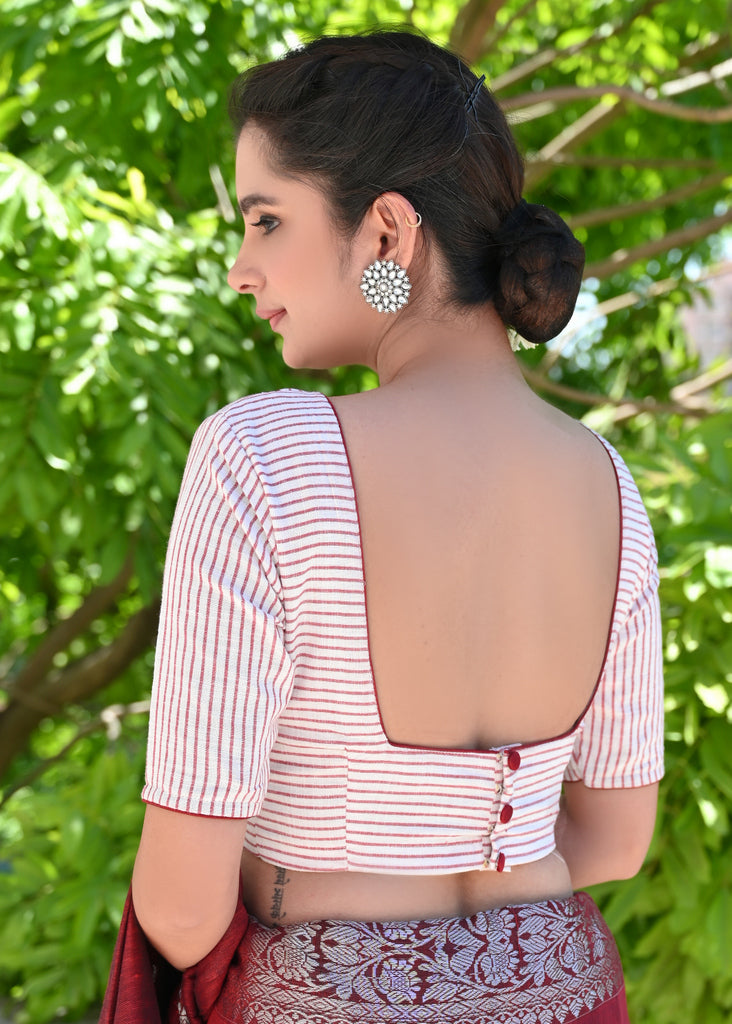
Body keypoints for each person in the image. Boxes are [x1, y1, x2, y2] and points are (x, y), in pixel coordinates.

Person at [115, 29, 664, 1024]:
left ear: (385, 235)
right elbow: (617, 840)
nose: (244, 270)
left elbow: (183, 909)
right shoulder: (609, 483)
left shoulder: (264, 457)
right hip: (566, 997)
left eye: (267, 221)